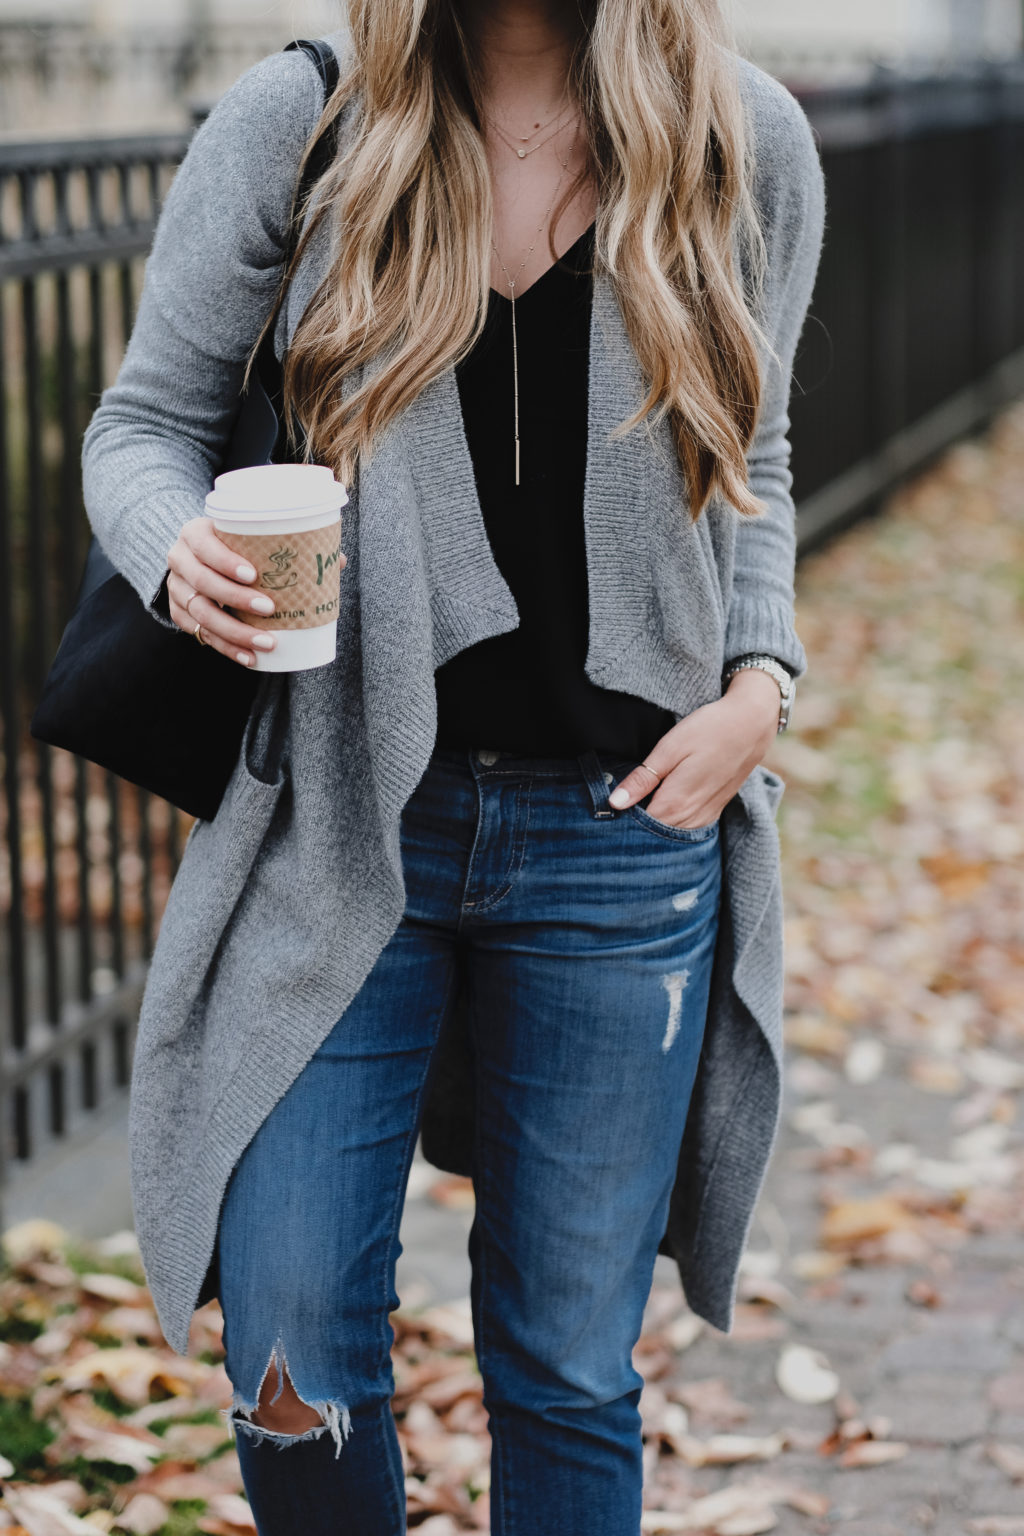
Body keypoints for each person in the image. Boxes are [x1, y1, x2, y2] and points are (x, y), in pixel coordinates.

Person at [81, 0, 826, 1530]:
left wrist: (762, 684)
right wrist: (178, 554)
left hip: (629, 833)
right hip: (350, 820)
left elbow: (758, 455)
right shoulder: (305, 127)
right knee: (289, 1349)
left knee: (566, 1369)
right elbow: (142, 422)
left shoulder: (739, 139)